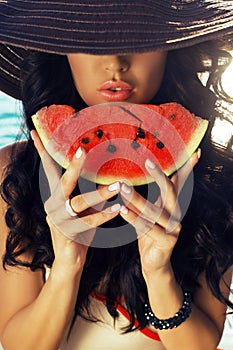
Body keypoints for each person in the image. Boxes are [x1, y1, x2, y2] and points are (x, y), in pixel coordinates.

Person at [0, 1, 233, 349]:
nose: (116, 62)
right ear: (61, 49)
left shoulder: (214, 179)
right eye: (88, 38)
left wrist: (159, 273)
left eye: (141, 35)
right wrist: (67, 264)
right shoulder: (13, 173)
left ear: (172, 47)